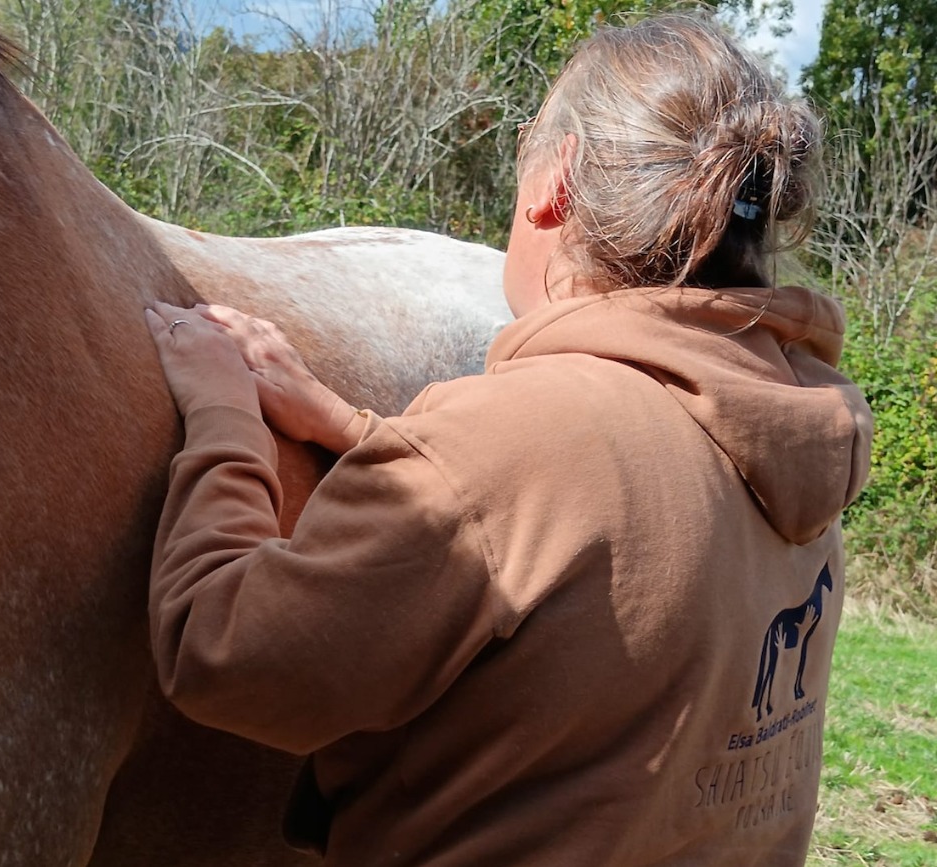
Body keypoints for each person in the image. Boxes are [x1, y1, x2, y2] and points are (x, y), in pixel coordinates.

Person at [144, 12, 873, 866]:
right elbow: (581, 546)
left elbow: (225, 655)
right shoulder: (797, 437)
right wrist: (362, 434)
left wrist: (225, 413)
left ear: (553, 180)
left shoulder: (513, 446)